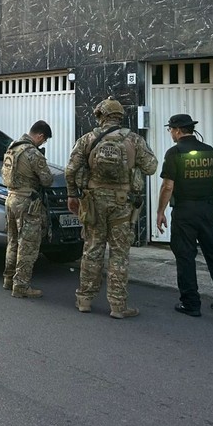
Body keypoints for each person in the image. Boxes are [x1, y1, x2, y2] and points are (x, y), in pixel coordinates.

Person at [66, 98, 158, 318]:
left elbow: (71, 170)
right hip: (122, 203)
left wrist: (72, 195)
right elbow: (151, 167)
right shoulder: (134, 139)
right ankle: (118, 306)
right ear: (119, 116)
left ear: (101, 116)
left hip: (93, 203)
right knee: (119, 254)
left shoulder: (88, 139)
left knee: (92, 249)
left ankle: (84, 300)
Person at [155, 113, 213, 317]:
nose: (170, 133)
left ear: (178, 130)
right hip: (207, 210)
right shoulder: (208, 151)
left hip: (185, 212)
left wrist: (160, 212)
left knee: (185, 256)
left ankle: (191, 303)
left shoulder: (174, 153)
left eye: (171, 129)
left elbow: (167, 186)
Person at [0, 120, 53, 299]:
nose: (42, 144)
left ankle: (8, 279)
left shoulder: (12, 148)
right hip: (26, 202)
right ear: (39, 136)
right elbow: (47, 180)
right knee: (28, 245)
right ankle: (21, 286)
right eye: (43, 140)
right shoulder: (32, 153)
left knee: (13, 241)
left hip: (11, 198)